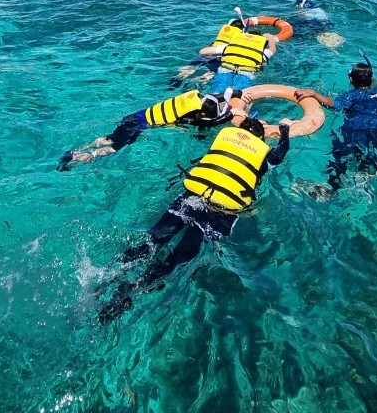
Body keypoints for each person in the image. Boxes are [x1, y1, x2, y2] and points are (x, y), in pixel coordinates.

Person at [97, 117, 291, 322]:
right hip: (222, 208)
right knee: (181, 256)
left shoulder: (225, 135)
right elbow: (281, 151)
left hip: (193, 196)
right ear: (261, 138)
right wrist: (285, 130)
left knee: (156, 237)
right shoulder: (262, 152)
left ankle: (106, 275)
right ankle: (135, 286)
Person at [58, 87, 243, 170]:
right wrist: (230, 115)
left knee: (111, 137)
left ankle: (79, 150)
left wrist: (237, 93)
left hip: (134, 117)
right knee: (114, 148)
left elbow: (216, 97)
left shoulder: (196, 97)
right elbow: (210, 123)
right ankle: (82, 157)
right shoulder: (188, 116)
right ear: (201, 113)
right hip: (137, 126)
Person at [308, 60, 377, 192]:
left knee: (340, 157)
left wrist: (314, 94)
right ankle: (365, 177)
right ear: (371, 79)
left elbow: (335, 105)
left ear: (351, 80)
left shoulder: (351, 96)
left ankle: (331, 189)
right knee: (369, 155)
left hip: (354, 133)